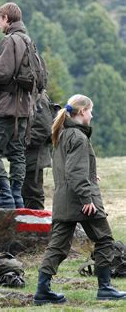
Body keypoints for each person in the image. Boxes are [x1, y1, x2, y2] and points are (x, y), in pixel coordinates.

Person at [34, 94, 126, 305]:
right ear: (83, 111)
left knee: (57, 246)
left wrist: (91, 174)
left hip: (63, 200)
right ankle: (105, 288)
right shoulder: (78, 137)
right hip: (81, 200)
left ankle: (42, 290)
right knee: (104, 240)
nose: (92, 115)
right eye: (91, 111)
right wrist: (87, 197)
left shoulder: (63, 134)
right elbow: (75, 173)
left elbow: (70, 169)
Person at [0, 2, 34, 209]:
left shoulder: (10, 40)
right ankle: (16, 197)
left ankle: (5, 195)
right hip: (24, 109)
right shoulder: (28, 41)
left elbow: (3, 73)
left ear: (7, 19)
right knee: (17, 152)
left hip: (6, 107)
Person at [21, 90, 59, 209]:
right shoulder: (28, 96)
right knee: (25, 195)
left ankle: (36, 225)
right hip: (26, 155)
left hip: (34, 157)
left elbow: (44, 130)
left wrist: (20, 142)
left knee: (33, 195)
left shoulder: (39, 99)